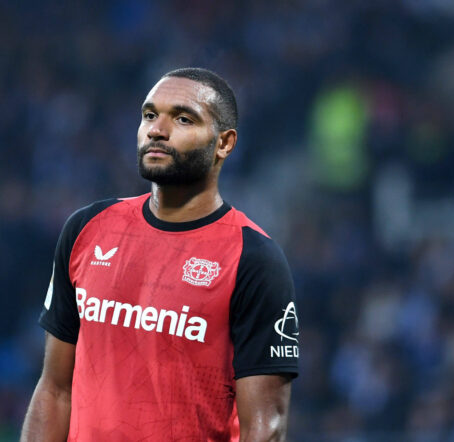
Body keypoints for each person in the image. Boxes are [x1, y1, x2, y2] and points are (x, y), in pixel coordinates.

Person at [21, 68, 299, 441]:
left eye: (183, 119)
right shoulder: (87, 229)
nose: (157, 130)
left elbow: (265, 428)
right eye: (150, 115)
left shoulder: (253, 259)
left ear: (224, 143)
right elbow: (55, 390)